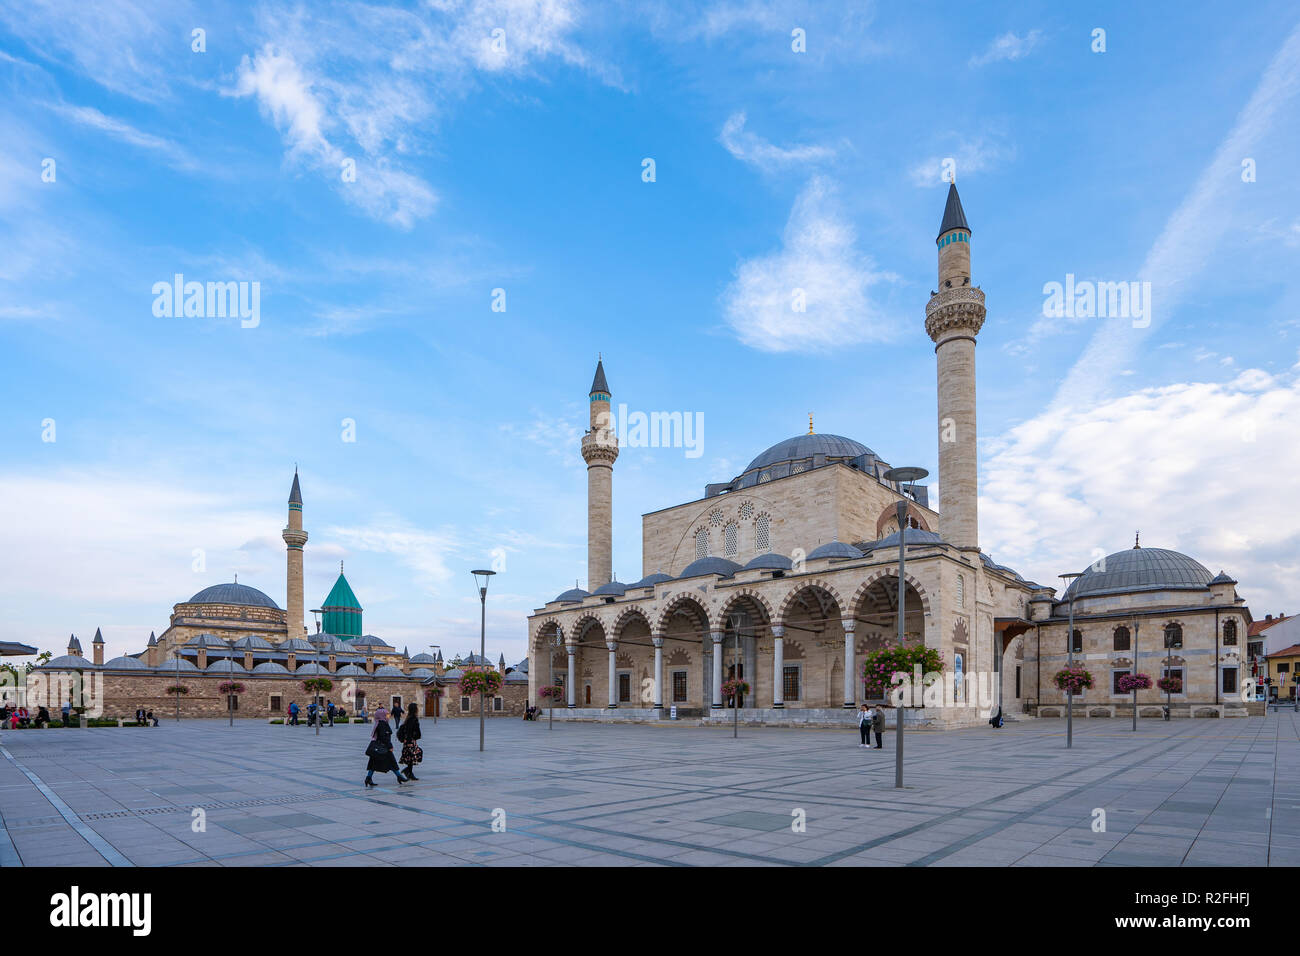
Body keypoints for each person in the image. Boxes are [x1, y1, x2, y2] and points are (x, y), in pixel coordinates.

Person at [364, 713, 405, 788]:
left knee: (374, 763)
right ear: (382, 716)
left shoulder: (381, 723)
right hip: (383, 747)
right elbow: (384, 737)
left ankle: (368, 778)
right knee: (391, 762)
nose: (388, 716)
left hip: (379, 747)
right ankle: (399, 776)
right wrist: (390, 746)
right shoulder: (382, 724)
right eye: (387, 714)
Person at [397, 702, 422, 781]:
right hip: (410, 740)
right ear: (415, 710)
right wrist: (414, 736)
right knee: (413, 755)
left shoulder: (409, 718)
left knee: (411, 756)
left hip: (409, 740)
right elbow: (411, 730)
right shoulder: (413, 718)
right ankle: (409, 771)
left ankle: (409, 771)